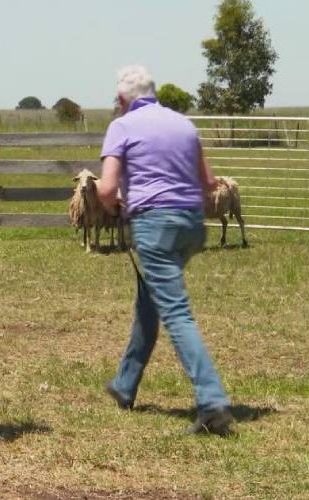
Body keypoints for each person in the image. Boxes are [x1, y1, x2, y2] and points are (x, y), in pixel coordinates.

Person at [98, 65, 234, 435]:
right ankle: (125, 385)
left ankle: (212, 403)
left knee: (176, 312)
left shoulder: (122, 126)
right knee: (152, 299)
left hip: (154, 225)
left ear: (124, 99)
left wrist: (114, 206)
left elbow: (107, 189)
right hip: (191, 224)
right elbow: (208, 181)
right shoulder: (183, 124)